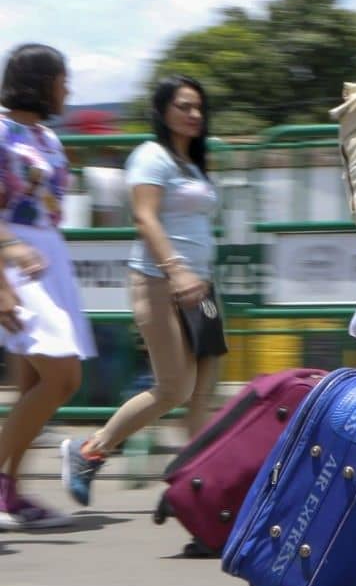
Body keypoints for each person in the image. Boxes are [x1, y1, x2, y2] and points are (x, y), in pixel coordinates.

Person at [60, 75, 222, 509]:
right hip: (160, 281)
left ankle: (193, 487)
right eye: (184, 106)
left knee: (204, 388)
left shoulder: (192, 163)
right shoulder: (151, 156)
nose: (193, 115)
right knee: (173, 388)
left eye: (198, 108)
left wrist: (196, 276)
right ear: (163, 110)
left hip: (201, 285)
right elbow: (145, 220)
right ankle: (90, 450)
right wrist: (177, 271)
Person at [0, 43, 97, 529]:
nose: (67, 89)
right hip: (12, 258)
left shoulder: (49, 139)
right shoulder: (0, 132)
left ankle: (8, 495)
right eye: (62, 79)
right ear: (38, 82)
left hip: (48, 260)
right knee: (63, 377)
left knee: (36, 383)